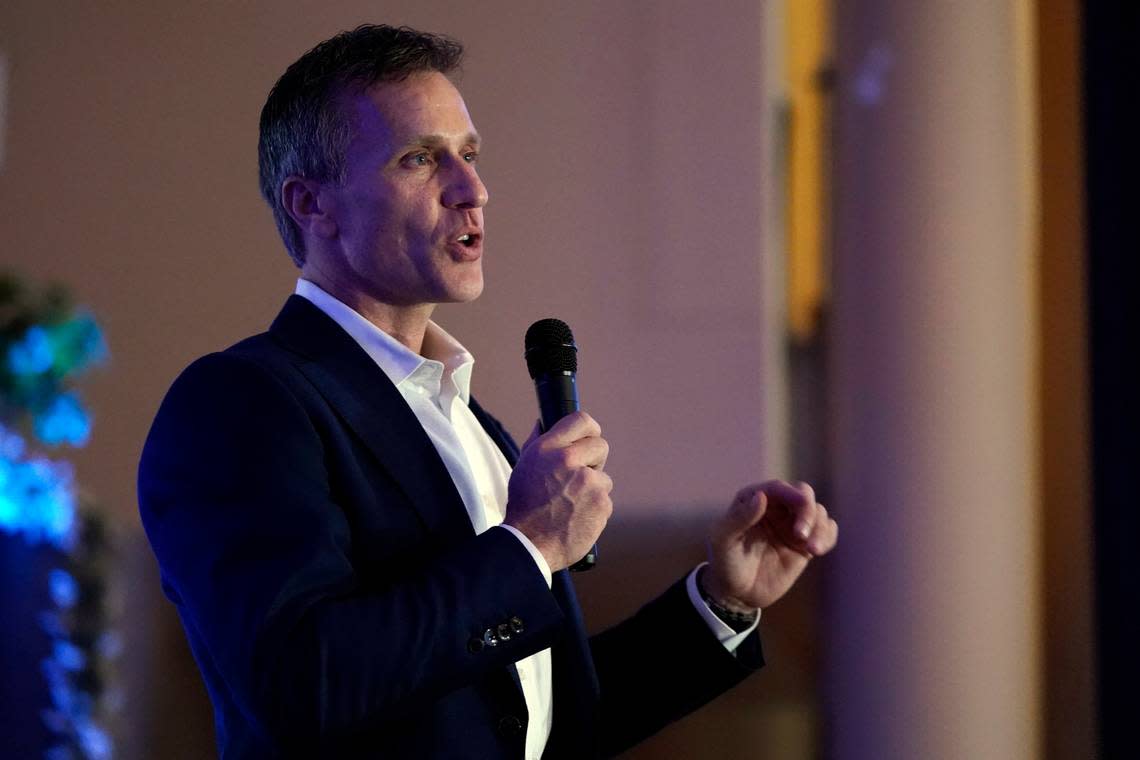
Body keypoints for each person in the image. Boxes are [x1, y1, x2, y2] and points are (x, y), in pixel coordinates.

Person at [138, 24, 838, 760]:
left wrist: (720, 604)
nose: (473, 189)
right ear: (314, 206)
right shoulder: (241, 404)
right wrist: (532, 542)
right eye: (420, 158)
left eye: (469, 155)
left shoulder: (469, 423)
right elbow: (302, 684)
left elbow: (534, 720)